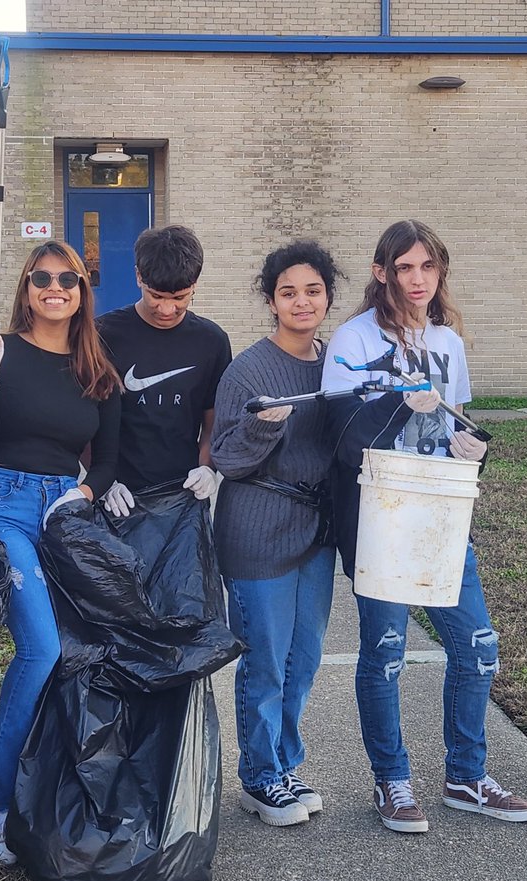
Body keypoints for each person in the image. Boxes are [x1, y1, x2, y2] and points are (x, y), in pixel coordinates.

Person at [321, 220, 527, 833]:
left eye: (428, 267)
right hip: (381, 516)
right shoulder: (352, 340)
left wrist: (473, 449)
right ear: (381, 271)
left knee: (477, 649)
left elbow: (455, 425)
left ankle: (467, 776)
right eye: (405, 267)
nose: (417, 280)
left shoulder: (448, 342)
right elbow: (340, 441)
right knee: (387, 652)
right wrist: (396, 402)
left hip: (442, 514)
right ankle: (392, 783)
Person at [0, 240, 121, 865]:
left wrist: (81, 493)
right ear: (26, 287)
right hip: (1, 500)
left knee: (81, 645)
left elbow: (107, 461)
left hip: (62, 509)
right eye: (42, 278)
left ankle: (50, 779)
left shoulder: (95, 367)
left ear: (83, 292)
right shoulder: (0, 352)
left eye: (68, 279)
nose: (55, 288)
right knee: (42, 647)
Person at [210, 240, 340, 827]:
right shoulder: (249, 369)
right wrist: (264, 428)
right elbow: (225, 456)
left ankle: (286, 764)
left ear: (328, 297)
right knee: (264, 660)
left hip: (315, 529)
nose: (301, 301)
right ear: (272, 302)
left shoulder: (335, 364)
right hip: (257, 528)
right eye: (288, 292)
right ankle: (260, 779)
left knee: (304, 658)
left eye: (312, 290)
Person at [96, 225, 232, 515]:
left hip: (184, 495)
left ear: (194, 284)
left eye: (180, 298)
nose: (166, 309)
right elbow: (85, 420)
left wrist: (206, 469)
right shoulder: (103, 334)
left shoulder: (212, 341)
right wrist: (102, 480)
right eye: (156, 296)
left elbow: (213, 421)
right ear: (138, 277)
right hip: (119, 498)